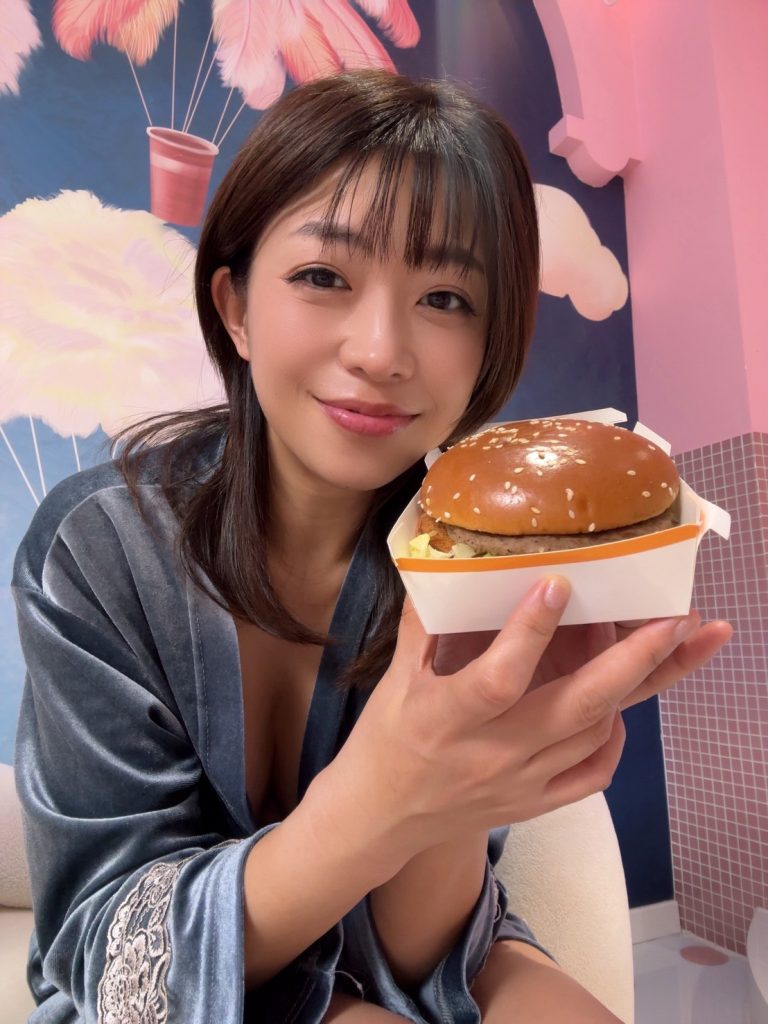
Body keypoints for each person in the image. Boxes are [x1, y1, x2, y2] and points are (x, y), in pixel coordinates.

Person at [11, 70, 731, 1024]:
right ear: (235, 306)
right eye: (322, 277)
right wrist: (383, 792)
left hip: (405, 955)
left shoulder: (472, 554)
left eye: (447, 298)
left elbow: (424, 958)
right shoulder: (98, 551)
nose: (382, 350)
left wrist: (462, 783)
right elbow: (112, 961)